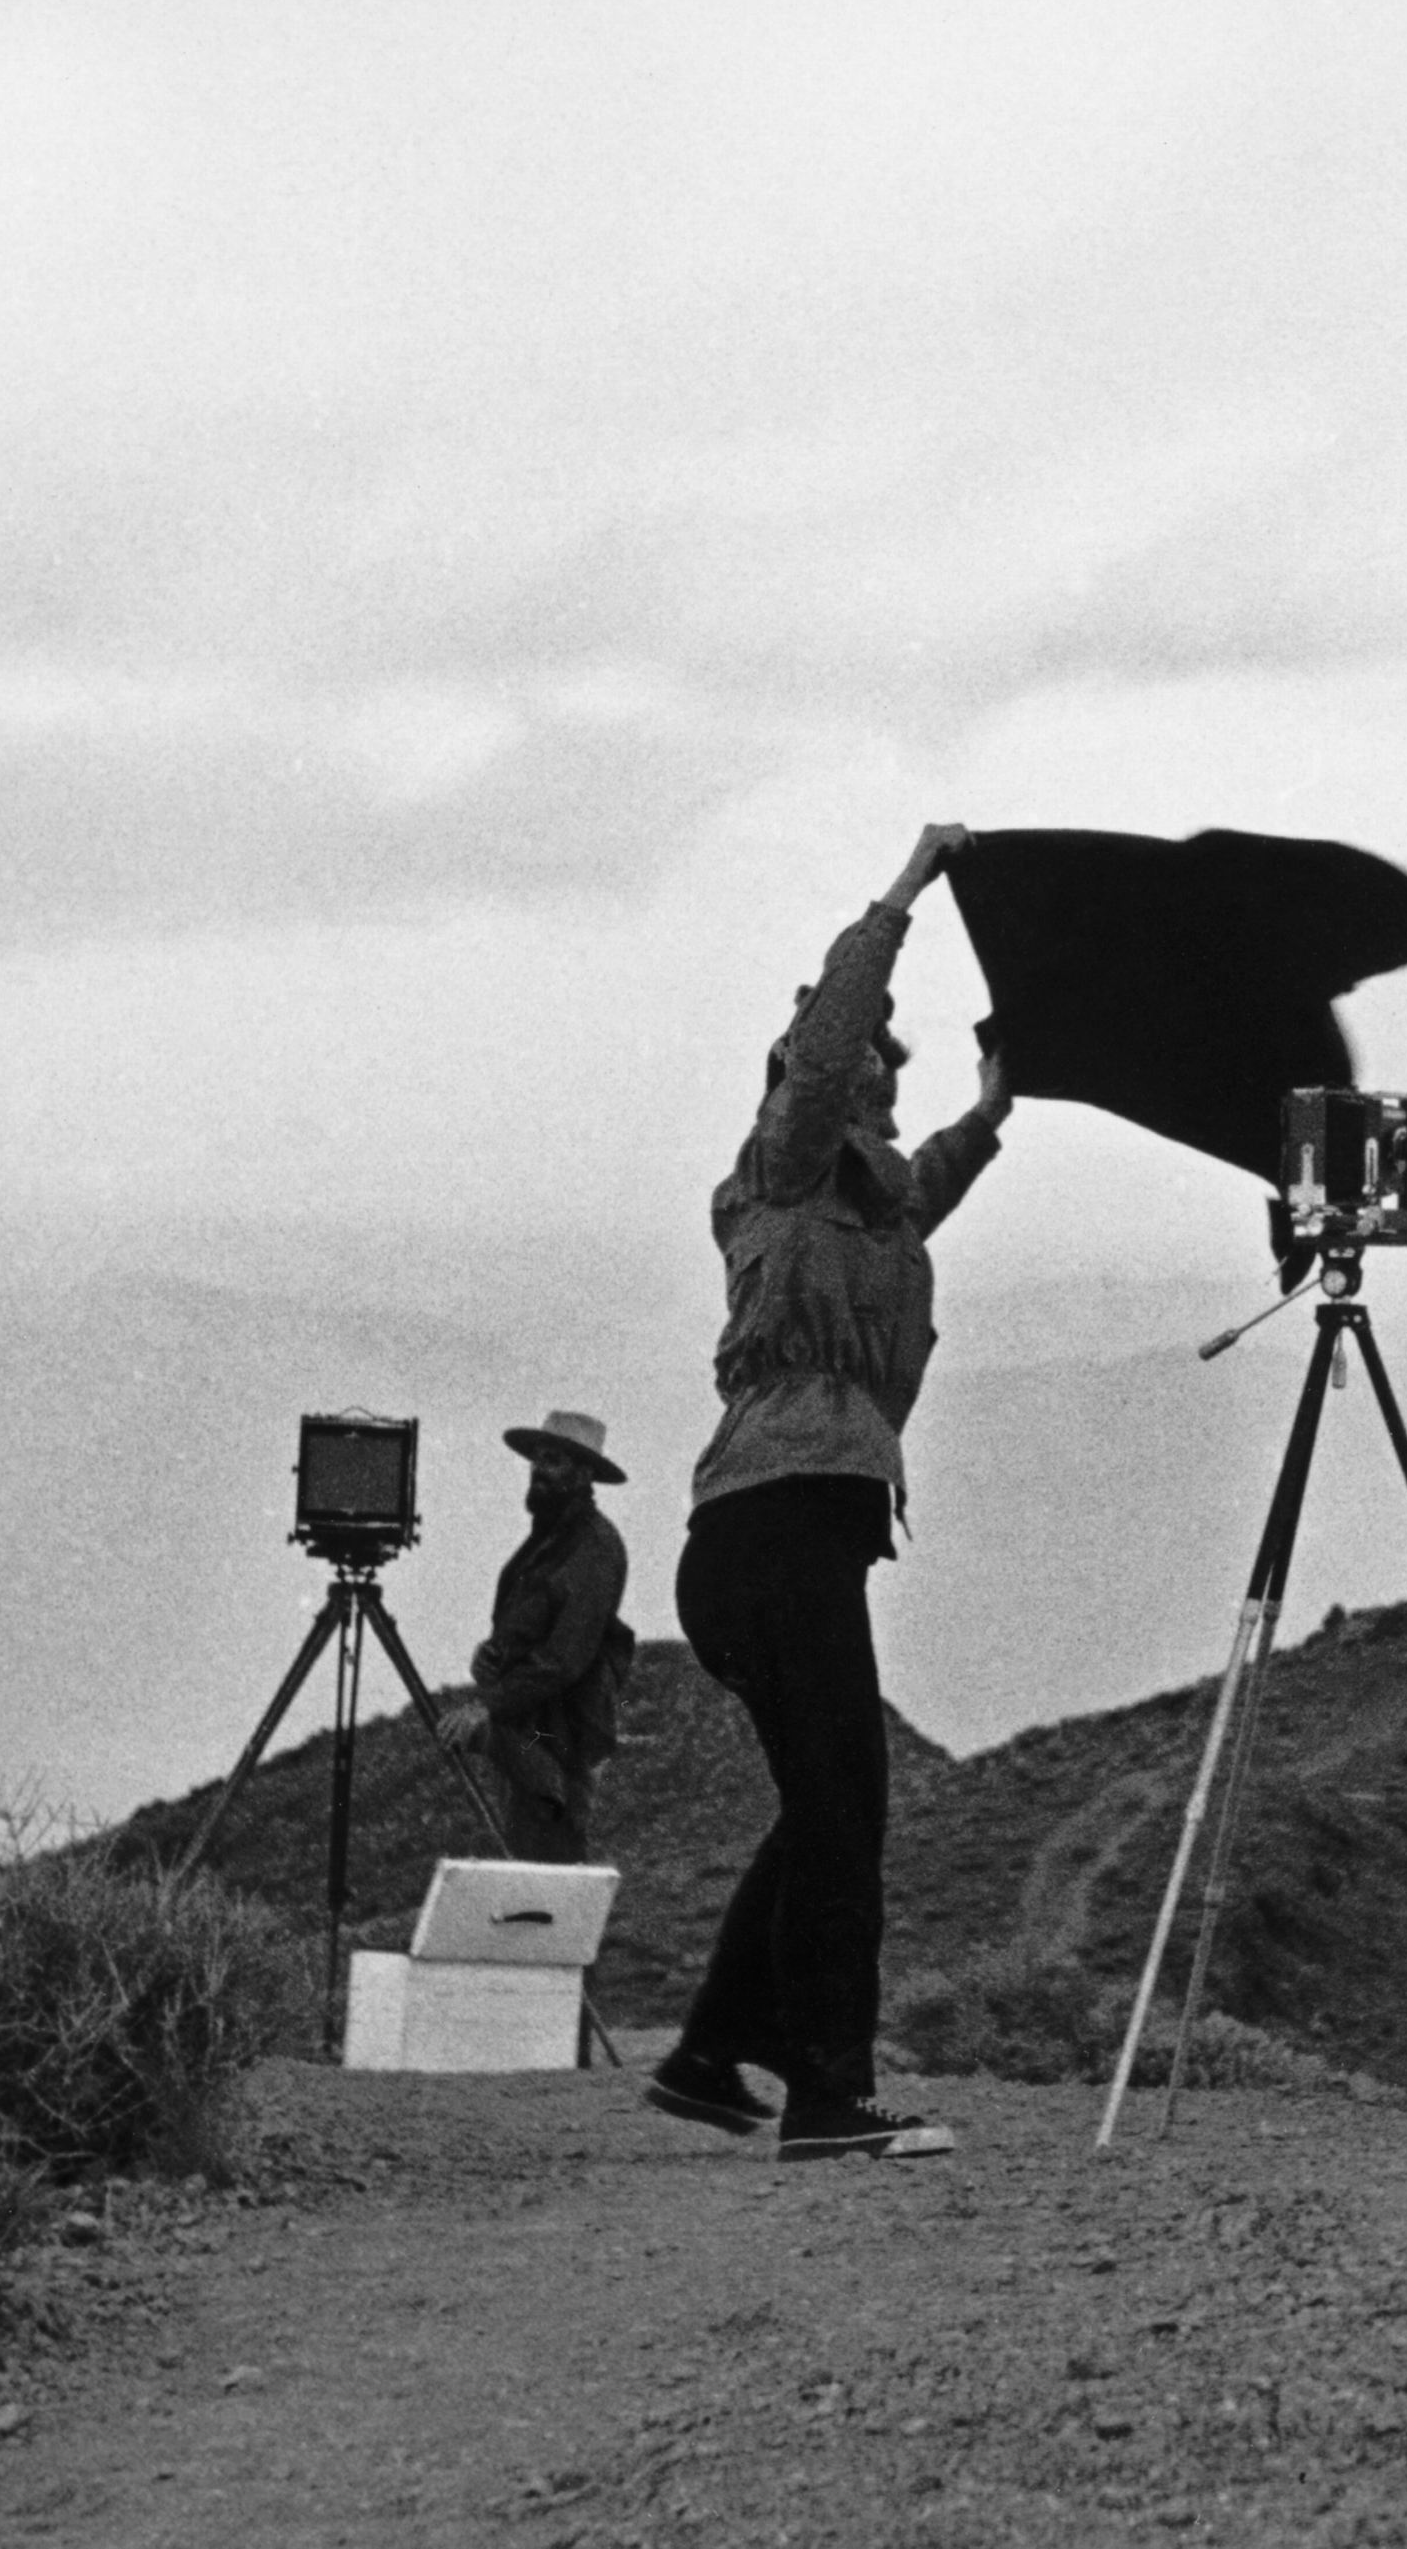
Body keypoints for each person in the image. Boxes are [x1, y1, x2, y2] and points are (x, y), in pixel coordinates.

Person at [647, 823, 1010, 2164]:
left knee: (827, 1802)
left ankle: (703, 2056)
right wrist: (905, 896)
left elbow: (934, 1184)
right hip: (769, 1521)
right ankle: (826, 2092)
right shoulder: (783, 1167)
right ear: (831, 1086)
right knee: (847, 1804)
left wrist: (995, 1104)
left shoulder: (872, 1204)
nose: (894, 1100)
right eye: (883, 1081)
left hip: (803, 1528)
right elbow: (826, 1032)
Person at [437, 1408, 634, 1866]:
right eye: (537, 1458)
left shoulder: (594, 1546)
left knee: (549, 1855)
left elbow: (566, 1657)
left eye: (554, 1461)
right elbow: (529, 1627)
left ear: (585, 1473)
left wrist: (488, 1706)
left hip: (561, 1733)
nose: (539, 1470)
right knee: (531, 1851)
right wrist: (492, 1656)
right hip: (531, 1725)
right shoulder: (548, 1539)